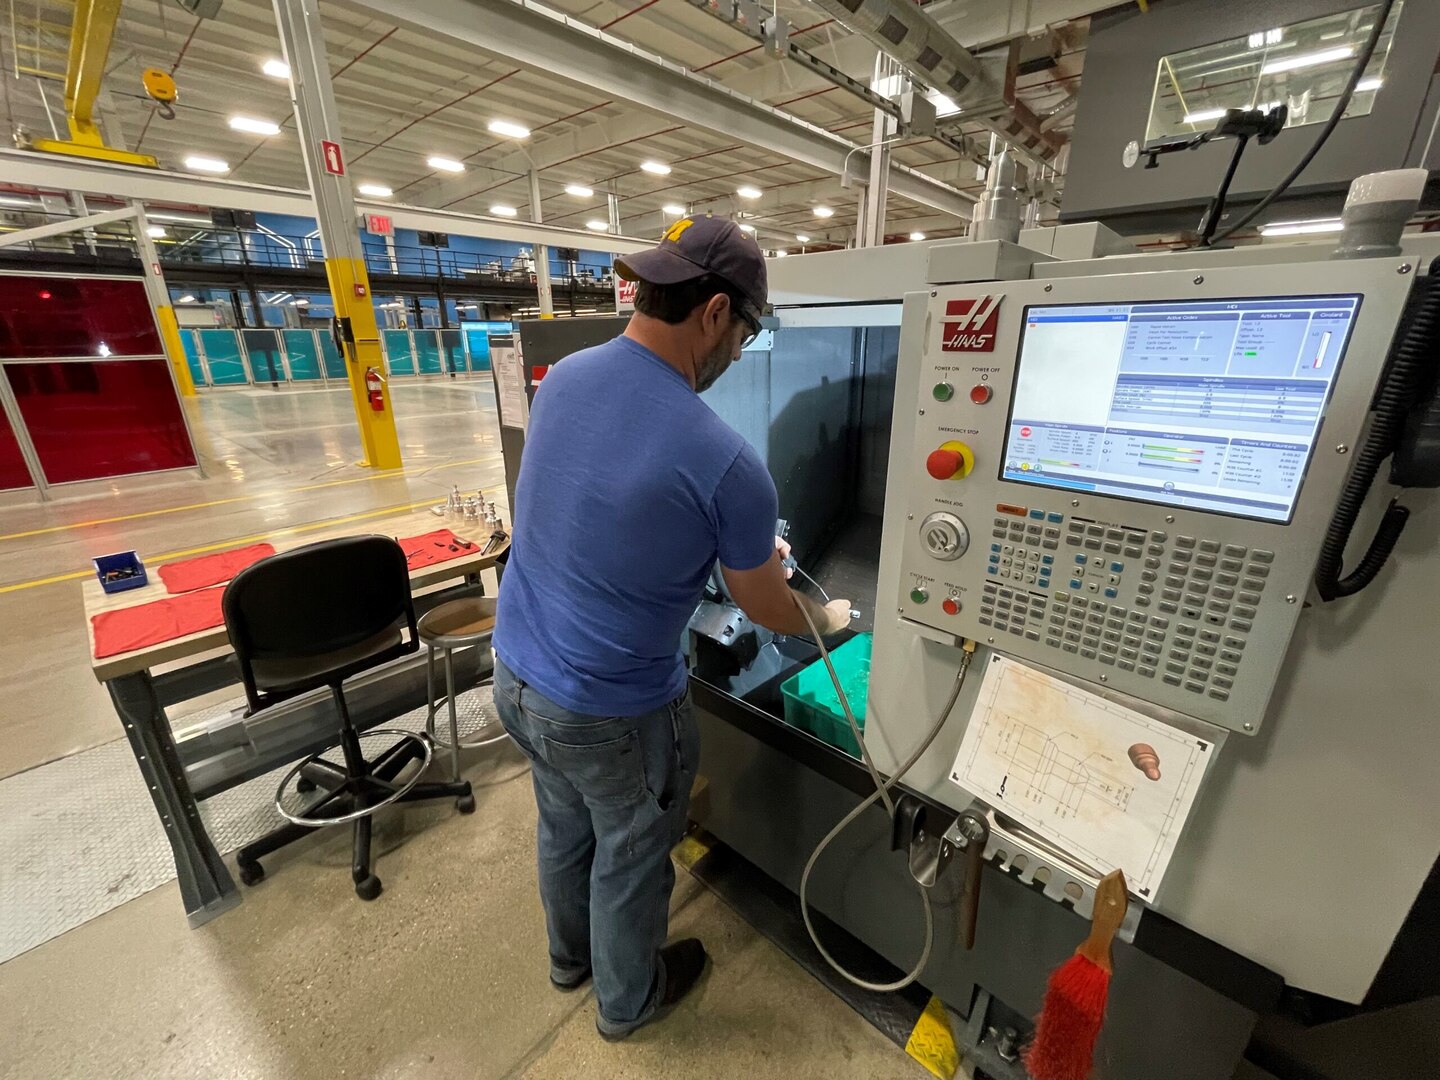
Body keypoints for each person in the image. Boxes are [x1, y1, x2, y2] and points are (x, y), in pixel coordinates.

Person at [492, 216, 852, 1041]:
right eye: (746, 334)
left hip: (517, 674)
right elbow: (766, 608)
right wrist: (825, 618)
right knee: (629, 851)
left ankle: (570, 960)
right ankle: (629, 1003)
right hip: (610, 713)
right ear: (716, 312)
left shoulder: (568, 378)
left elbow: (603, 508)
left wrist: (738, 544)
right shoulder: (725, 459)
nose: (738, 356)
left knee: (565, 822)